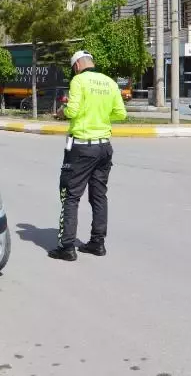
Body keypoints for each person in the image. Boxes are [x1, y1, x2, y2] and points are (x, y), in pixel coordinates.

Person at [49, 50, 127, 262]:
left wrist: (61, 112)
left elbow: (72, 111)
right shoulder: (109, 82)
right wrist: (100, 116)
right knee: (99, 196)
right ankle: (97, 243)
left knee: (70, 195)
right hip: (104, 147)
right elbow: (121, 113)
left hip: (82, 147)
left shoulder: (79, 81)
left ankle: (67, 247)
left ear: (76, 66)